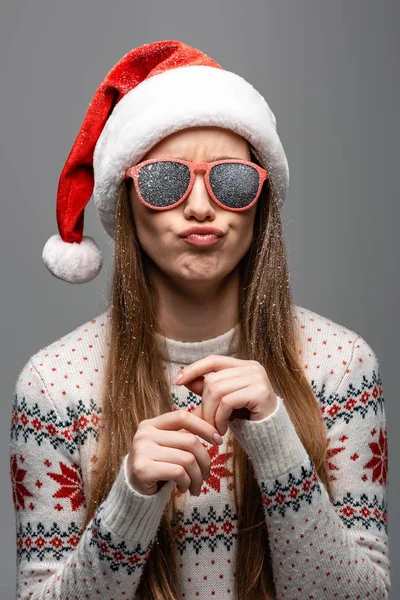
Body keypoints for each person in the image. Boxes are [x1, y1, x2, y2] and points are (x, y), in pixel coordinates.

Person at [9, 40, 390, 600]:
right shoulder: (52, 388)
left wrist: (279, 447)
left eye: (231, 180)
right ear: (127, 197)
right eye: (167, 180)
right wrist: (131, 500)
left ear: (260, 198)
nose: (201, 207)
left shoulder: (341, 367)